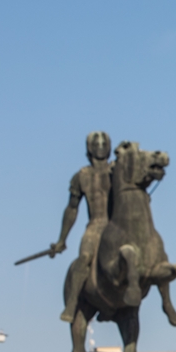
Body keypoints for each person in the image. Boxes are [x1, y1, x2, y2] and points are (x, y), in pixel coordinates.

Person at [52, 131, 113, 322]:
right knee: (85, 257)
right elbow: (72, 209)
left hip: (116, 225)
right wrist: (62, 239)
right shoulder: (81, 176)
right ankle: (71, 304)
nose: (101, 147)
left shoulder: (117, 171)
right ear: (90, 148)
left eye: (104, 143)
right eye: (97, 144)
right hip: (96, 225)